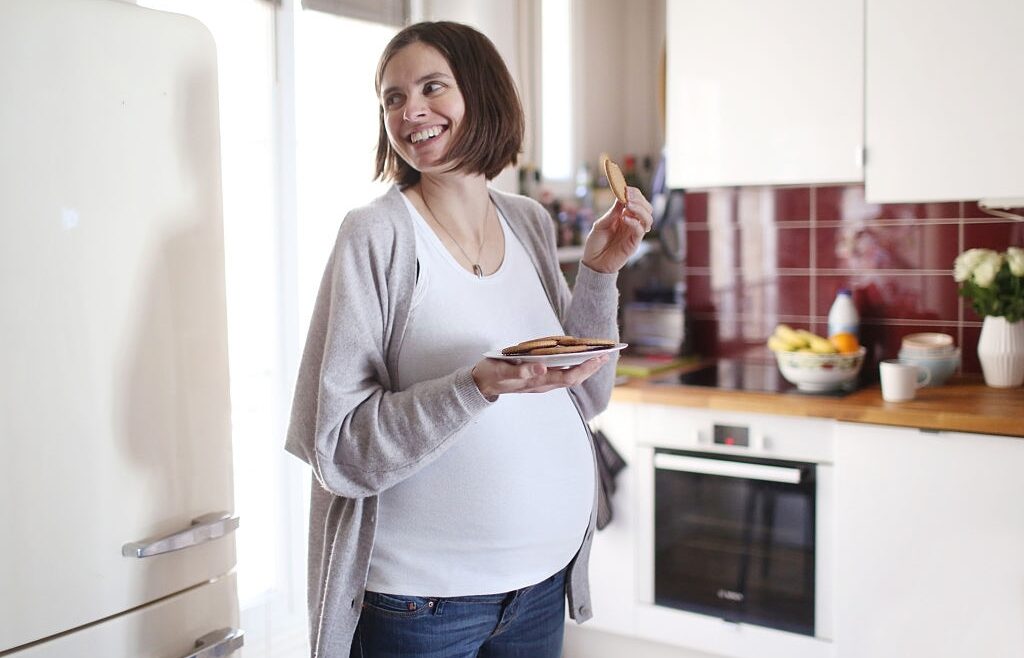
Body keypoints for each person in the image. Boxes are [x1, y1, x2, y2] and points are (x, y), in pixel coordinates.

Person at [285, 20, 653, 658]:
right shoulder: (376, 236)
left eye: (432, 87)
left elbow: (583, 400)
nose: (411, 111)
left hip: (541, 586)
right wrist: (475, 385)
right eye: (393, 98)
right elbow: (339, 447)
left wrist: (599, 272)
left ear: (481, 93)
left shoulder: (529, 220)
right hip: (420, 606)